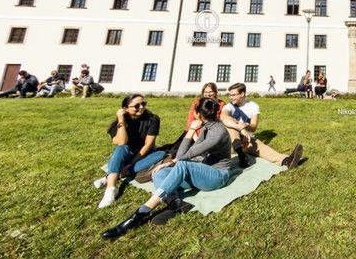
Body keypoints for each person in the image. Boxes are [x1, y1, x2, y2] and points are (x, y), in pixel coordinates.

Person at [101, 98, 232, 239]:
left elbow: (182, 156)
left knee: (182, 165)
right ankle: (176, 203)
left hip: (217, 176)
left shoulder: (217, 132)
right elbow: (186, 154)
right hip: (201, 171)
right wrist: (169, 163)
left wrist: (192, 129)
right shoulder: (207, 127)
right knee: (159, 172)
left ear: (197, 114)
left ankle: (141, 213)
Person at [94, 94, 166, 208]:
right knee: (122, 148)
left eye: (144, 104)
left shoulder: (152, 119)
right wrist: (121, 120)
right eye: (136, 105)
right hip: (125, 153)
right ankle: (111, 189)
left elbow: (149, 144)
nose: (141, 107)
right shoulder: (117, 123)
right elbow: (122, 142)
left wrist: (132, 162)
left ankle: (111, 177)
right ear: (125, 108)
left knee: (161, 154)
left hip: (144, 153)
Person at [221, 83, 302, 169]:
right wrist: (241, 128)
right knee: (231, 125)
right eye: (229, 95)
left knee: (260, 146)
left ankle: (286, 161)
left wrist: (245, 127)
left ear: (242, 94)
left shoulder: (253, 106)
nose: (230, 98)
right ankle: (240, 153)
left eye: (233, 95)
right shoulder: (229, 106)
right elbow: (223, 116)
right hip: (230, 144)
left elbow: (253, 127)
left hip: (245, 141)